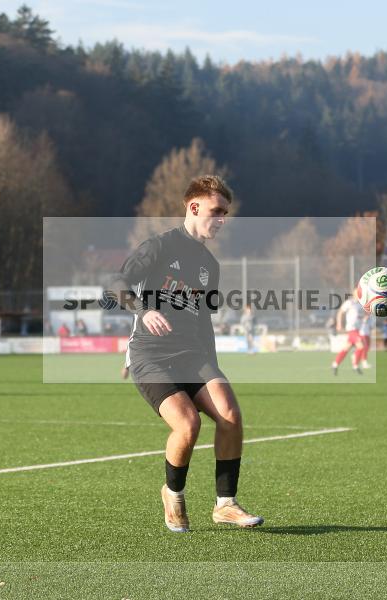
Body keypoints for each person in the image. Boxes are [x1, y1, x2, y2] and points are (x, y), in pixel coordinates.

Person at [109, 174, 263, 533]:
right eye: (217, 211)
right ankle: (173, 494)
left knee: (230, 413)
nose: (222, 220)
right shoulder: (159, 247)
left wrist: (214, 373)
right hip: (150, 354)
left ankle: (225, 504)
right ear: (194, 207)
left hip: (192, 353)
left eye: (226, 213)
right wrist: (143, 311)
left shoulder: (212, 267)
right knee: (188, 424)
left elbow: (205, 321)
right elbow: (115, 283)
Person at [331, 290, 366, 375]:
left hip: (357, 330)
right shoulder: (349, 303)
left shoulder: (361, 304)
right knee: (361, 346)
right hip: (351, 329)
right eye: (358, 292)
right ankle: (355, 365)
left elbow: (364, 314)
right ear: (354, 294)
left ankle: (335, 364)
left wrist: (366, 317)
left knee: (346, 348)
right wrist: (339, 324)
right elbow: (340, 312)